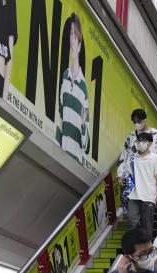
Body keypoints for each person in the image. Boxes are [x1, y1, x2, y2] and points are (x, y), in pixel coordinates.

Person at [56, 13, 89, 163]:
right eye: (70, 34)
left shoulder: (83, 88)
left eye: (75, 36)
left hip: (75, 158)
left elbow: (86, 142)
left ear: (80, 43)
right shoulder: (64, 76)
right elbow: (60, 116)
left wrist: (82, 124)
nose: (72, 40)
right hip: (60, 151)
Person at [121, 131, 157, 238]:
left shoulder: (155, 158)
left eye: (143, 141)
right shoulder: (132, 158)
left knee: (147, 224)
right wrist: (121, 179)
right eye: (139, 141)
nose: (140, 143)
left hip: (149, 195)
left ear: (150, 143)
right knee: (132, 221)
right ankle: (129, 247)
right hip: (134, 194)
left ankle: (146, 249)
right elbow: (126, 173)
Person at [119, 108, 157, 182]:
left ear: (144, 120)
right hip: (133, 176)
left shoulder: (156, 135)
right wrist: (121, 175)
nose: (136, 124)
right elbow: (124, 156)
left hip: (150, 175)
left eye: (138, 121)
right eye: (134, 122)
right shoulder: (131, 136)